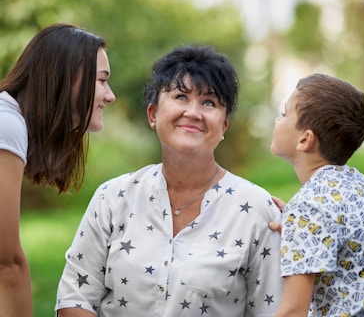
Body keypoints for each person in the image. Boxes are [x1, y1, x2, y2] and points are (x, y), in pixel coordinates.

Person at [55, 44, 283, 317]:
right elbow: (75, 298)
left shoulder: (257, 211)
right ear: (153, 114)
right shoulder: (113, 198)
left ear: (223, 127)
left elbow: (274, 310)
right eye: (180, 96)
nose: (193, 113)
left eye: (209, 102)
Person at [0, 23, 115, 317]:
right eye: (102, 81)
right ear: (68, 78)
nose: (110, 95)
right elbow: (6, 263)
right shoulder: (6, 124)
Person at [270, 73, 364, 316]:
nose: (277, 120)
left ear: (305, 139)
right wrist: (297, 225)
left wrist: (300, 220)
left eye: (284, 113)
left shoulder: (309, 207)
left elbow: (293, 310)